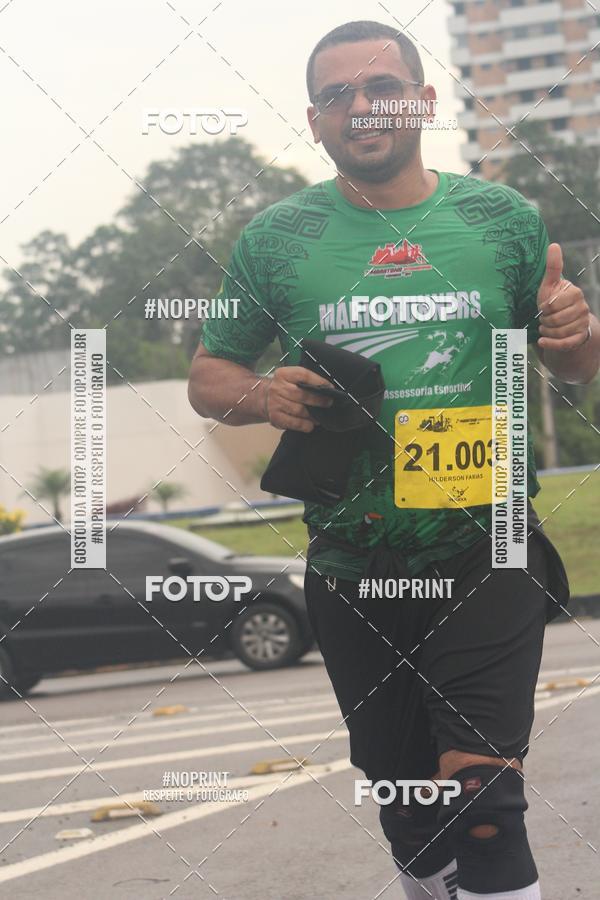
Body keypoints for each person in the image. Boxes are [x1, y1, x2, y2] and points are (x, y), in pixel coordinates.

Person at [188, 20, 600, 900]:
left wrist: (576, 329)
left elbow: (572, 355)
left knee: (484, 798)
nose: (361, 108)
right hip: (351, 562)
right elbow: (208, 375)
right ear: (313, 119)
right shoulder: (278, 238)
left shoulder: (502, 219)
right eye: (338, 94)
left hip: (485, 542)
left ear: (423, 101)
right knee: (411, 811)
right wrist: (263, 396)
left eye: (381, 88)